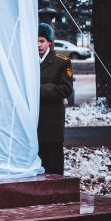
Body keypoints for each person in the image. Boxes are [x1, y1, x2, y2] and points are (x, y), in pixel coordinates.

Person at [38, 23, 73, 175]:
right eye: (35, 41)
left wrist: (37, 90)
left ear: (49, 43)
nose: (38, 45)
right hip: (33, 123)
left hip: (52, 121)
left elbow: (66, 89)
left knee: (53, 164)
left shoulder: (62, 61)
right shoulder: (27, 62)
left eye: (41, 41)